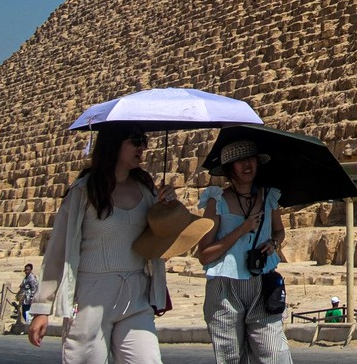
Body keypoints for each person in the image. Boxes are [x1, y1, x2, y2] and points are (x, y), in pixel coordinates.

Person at [26, 126, 175, 362]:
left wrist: (166, 209)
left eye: (144, 140)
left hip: (136, 294)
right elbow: (57, 251)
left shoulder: (147, 191)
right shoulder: (84, 192)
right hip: (91, 298)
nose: (143, 147)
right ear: (114, 143)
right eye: (136, 140)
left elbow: (160, 241)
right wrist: (41, 309)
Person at [196, 139, 291, 364]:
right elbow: (205, 254)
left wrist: (274, 244)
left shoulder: (269, 197)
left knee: (275, 354)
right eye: (239, 161)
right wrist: (243, 228)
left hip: (262, 283)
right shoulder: (216, 201)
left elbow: (279, 231)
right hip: (225, 289)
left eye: (250, 159)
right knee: (230, 357)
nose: (246, 165)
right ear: (229, 169)